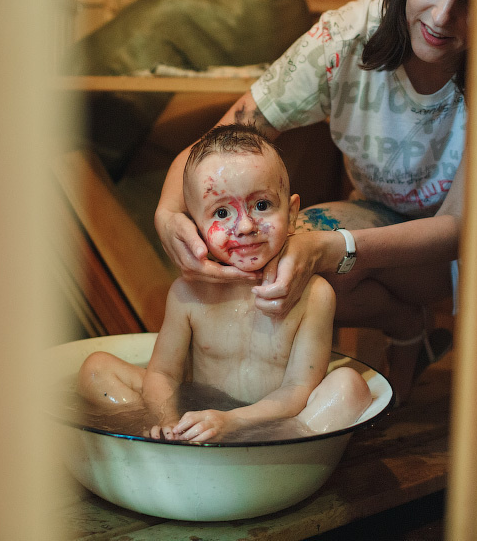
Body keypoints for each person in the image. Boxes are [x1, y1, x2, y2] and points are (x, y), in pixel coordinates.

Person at [153, 0, 473, 405]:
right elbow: (226, 137)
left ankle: (407, 332)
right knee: (273, 251)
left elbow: (457, 232)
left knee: (309, 250)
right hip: (378, 215)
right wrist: (168, 215)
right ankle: (405, 326)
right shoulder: (345, 39)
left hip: (469, 251)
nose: (442, 16)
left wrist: (336, 248)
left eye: (473, 1)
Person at [77, 124, 372, 442]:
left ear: (292, 213)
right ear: (195, 227)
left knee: (349, 387)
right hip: (197, 417)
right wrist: (167, 421)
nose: (245, 226)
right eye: (221, 212)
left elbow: (299, 389)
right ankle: (171, 442)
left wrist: (232, 422)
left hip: (274, 423)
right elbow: (163, 374)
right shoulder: (189, 294)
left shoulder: (313, 295)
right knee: (95, 369)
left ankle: (273, 451)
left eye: (262, 205)